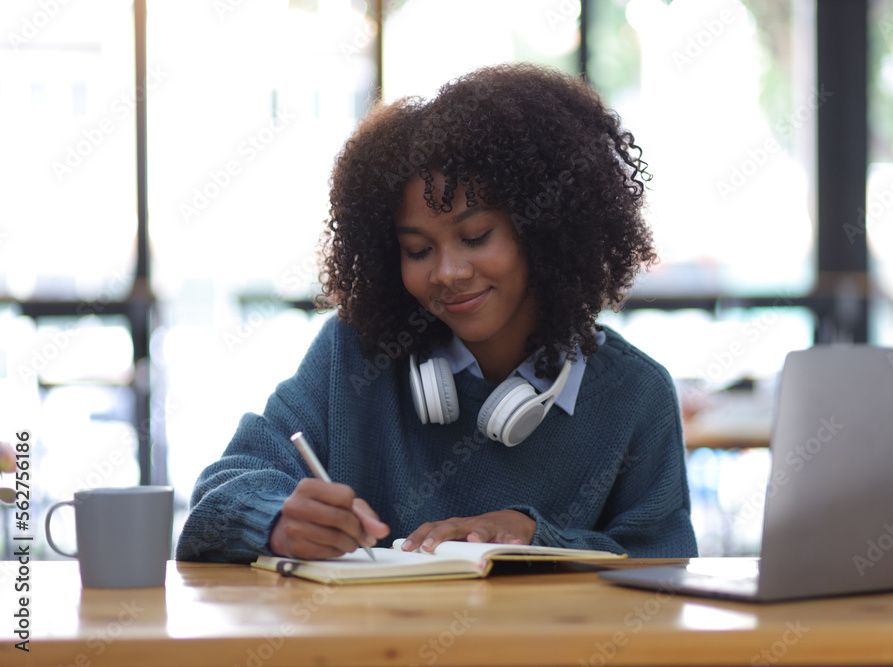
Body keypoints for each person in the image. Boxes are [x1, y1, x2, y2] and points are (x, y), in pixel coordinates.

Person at [176, 63, 697, 563]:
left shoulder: (634, 394)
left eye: (475, 237)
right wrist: (275, 520)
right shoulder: (354, 356)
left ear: (544, 230)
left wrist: (539, 538)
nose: (448, 273)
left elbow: (665, 563)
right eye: (418, 251)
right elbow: (218, 498)